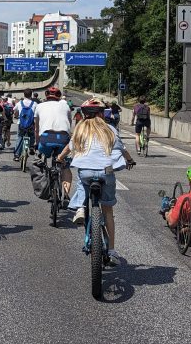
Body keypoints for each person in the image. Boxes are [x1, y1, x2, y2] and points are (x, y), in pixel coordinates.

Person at [57, 98, 135, 265]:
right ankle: (112, 251)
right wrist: (130, 160)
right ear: (101, 114)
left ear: (84, 115)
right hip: (106, 173)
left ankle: (80, 208)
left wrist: (59, 158)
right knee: (107, 211)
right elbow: (122, 148)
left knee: (82, 181)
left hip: (86, 173)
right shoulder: (110, 129)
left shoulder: (80, 129)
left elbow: (69, 148)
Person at [34, 87, 73, 202]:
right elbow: (69, 125)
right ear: (59, 96)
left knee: (41, 159)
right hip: (63, 138)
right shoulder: (65, 106)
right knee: (65, 166)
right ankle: (66, 196)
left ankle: (46, 183)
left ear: (46, 96)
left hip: (46, 138)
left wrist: (37, 143)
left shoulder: (39, 106)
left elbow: (37, 128)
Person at [13, 89, 37, 161]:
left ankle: (17, 154)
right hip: (31, 124)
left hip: (21, 124)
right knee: (32, 135)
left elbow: (15, 111)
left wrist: (16, 115)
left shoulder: (20, 103)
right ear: (31, 95)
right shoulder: (35, 104)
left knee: (19, 137)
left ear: (24, 94)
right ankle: (32, 147)